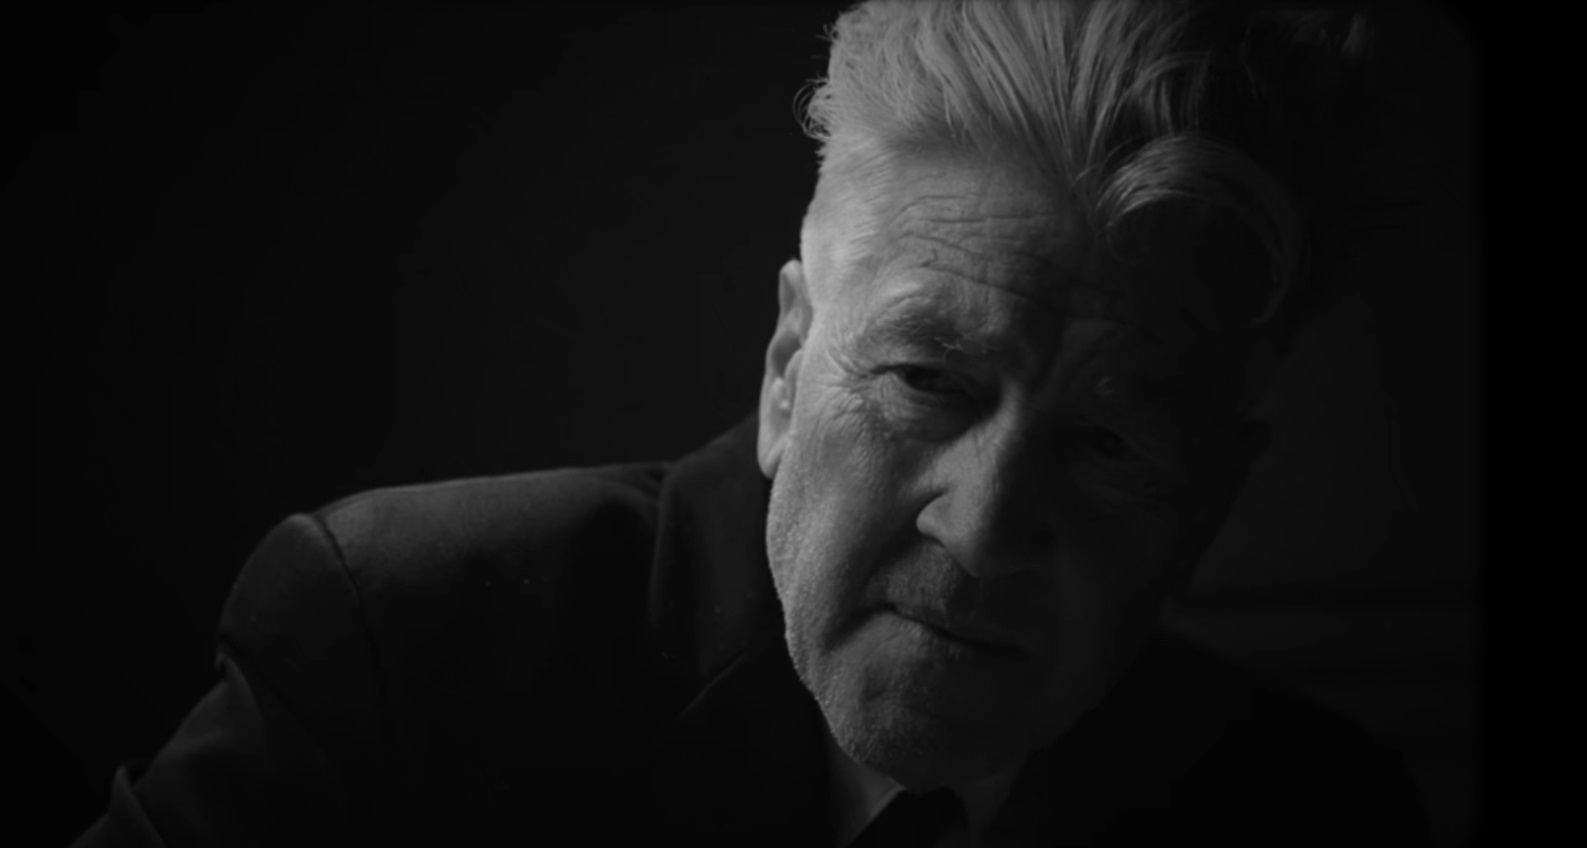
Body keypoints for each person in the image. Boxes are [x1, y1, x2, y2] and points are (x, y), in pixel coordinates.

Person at [70, 1, 1435, 845]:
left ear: (1211, 506)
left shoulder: (1310, 810)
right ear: (788, 367)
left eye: (1111, 443)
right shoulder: (400, 646)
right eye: (927, 380)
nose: (986, 529)